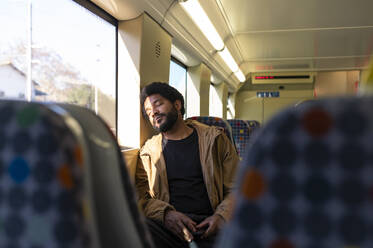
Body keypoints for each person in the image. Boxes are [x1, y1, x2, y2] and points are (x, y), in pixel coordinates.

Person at [135, 82, 239, 248]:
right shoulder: (147, 153)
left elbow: (237, 188)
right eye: (148, 112)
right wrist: (166, 215)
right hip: (170, 227)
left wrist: (221, 217)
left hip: (212, 223)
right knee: (138, 229)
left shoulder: (215, 139)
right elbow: (142, 198)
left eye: (158, 104)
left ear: (177, 105)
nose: (153, 113)